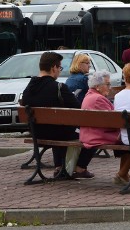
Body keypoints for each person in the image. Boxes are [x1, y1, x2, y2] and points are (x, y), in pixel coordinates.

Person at [21, 51, 96, 179]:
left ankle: (59, 167)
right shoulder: (59, 88)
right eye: (59, 67)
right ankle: (80, 167)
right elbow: (79, 108)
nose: (60, 71)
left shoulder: (29, 88)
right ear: (53, 68)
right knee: (93, 134)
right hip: (59, 134)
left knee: (58, 126)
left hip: (36, 133)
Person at [79, 70, 130, 185]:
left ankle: (124, 173)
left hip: (91, 132)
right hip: (97, 135)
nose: (110, 87)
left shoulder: (90, 95)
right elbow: (115, 121)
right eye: (107, 84)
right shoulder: (98, 99)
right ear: (98, 86)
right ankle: (122, 174)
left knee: (127, 138)